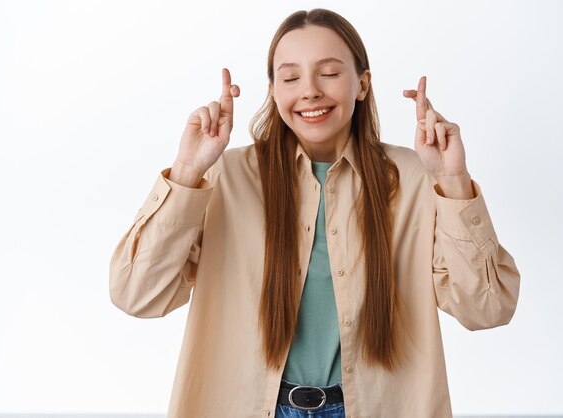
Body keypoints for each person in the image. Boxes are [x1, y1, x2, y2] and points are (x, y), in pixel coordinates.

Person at [109, 8, 520, 418]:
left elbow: (487, 309)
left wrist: (453, 181)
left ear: (362, 83)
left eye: (328, 73)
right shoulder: (225, 177)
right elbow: (136, 294)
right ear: (273, 90)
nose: (309, 91)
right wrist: (186, 171)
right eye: (290, 78)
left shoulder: (414, 178)